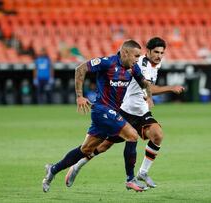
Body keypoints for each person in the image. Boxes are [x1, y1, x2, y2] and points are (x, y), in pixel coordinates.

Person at [65, 37, 184, 190]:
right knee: (103, 146)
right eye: (156, 52)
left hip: (141, 112)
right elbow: (148, 87)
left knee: (158, 135)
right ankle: (77, 165)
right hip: (126, 110)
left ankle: (142, 173)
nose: (159, 55)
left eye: (162, 52)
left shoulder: (156, 64)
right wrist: (170, 88)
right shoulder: (138, 63)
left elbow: (146, 88)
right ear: (147, 51)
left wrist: (147, 98)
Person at [42, 39, 153, 193]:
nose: (137, 59)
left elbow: (143, 83)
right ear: (125, 53)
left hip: (112, 112)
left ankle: (52, 170)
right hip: (101, 110)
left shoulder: (132, 69)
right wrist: (79, 96)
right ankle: (130, 179)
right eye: (135, 56)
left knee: (85, 149)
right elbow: (80, 69)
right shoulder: (107, 62)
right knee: (132, 135)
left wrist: (148, 95)